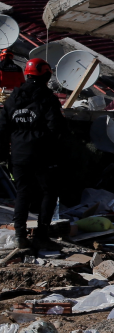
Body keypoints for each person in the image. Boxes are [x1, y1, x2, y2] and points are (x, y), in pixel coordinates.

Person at [0, 59, 64, 249]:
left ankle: (20, 235)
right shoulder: (48, 98)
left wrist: (4, 155)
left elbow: (2, 129)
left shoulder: (12, 99)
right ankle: (41, 235)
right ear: (46, 75)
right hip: (42, 155)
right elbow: (56, 127)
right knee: (49, 192)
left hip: (19, 155)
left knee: (23, 193)